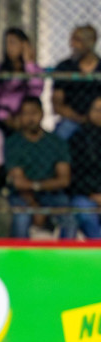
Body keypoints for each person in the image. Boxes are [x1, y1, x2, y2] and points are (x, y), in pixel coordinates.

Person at [5, 96, 74, 239]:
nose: (30, 118)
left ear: (42, 113)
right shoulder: (13, 143)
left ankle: (66, 260)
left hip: (53, 195)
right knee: (21, 219)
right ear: (20, 116)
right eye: (26, 113)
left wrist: (35, 186)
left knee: (70, 220)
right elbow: (19, 183)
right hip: (22, 196)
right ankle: (20, 259)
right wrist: (36, 207)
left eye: (34, 113)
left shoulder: (56, 142)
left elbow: (64, 180)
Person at [0, 27, 43, 133]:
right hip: (1, 118)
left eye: (13, 43)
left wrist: (28, 62)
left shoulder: (33, 69)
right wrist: (4, 116)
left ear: (24, 45)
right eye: (7, 43)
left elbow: (36, 91)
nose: (9, 47)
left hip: (25, 118)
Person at [51, 24, 99, 140]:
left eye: (77, 40)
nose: (72, 45)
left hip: (98, 116)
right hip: (72, 119)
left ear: (90, 43)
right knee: (59, 137)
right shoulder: (64, 67)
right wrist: (79, 118)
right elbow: (57, 103)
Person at [67, 98, 101, 239]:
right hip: (86, 195)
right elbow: (74, 176)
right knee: (85, 212)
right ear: (89, 112)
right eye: (97, 110)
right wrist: (94, 195)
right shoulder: (78, 139)